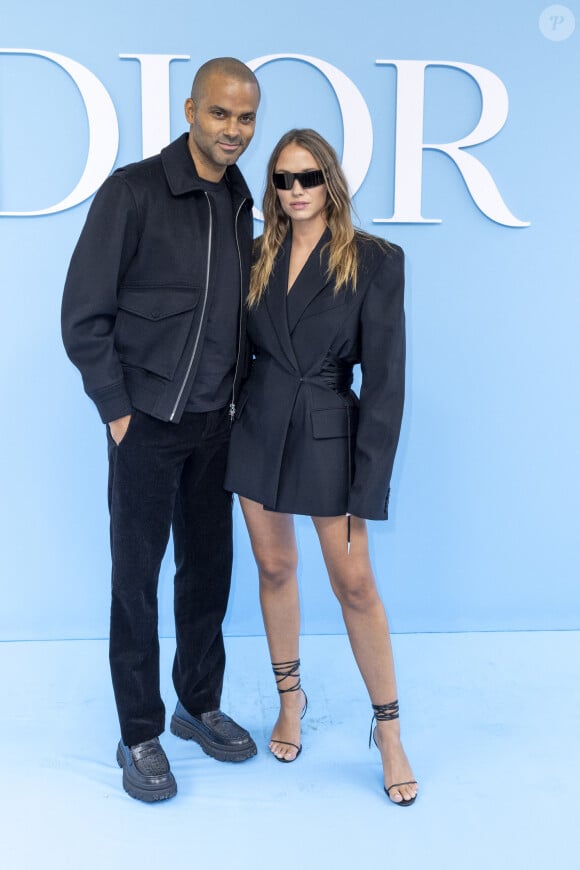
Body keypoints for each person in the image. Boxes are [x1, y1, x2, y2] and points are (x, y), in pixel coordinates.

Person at [61, 57, 261, 802]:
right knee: (135, 582)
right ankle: (139, 730)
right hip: (145, 426)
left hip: (218, 428)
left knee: (209, 573)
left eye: (245, 118)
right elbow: (83, 316)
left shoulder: (243, 202)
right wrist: (117, 411)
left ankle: (196, 706)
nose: (233, 131)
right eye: (220, 114)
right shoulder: (134, 191)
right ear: (190, 110)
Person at [224, 129, 418, 806]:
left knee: (356, 585)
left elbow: (387, 384)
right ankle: (290, 698)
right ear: (272, 189)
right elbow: (234, 356)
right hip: (256, 431)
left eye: (308, 177)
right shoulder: (252, 258)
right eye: (283, 179)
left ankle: (389, 732)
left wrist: (370, 485)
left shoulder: (376, 260)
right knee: (274, 567)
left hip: (330, 435)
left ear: (330, 181)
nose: (296, 191)